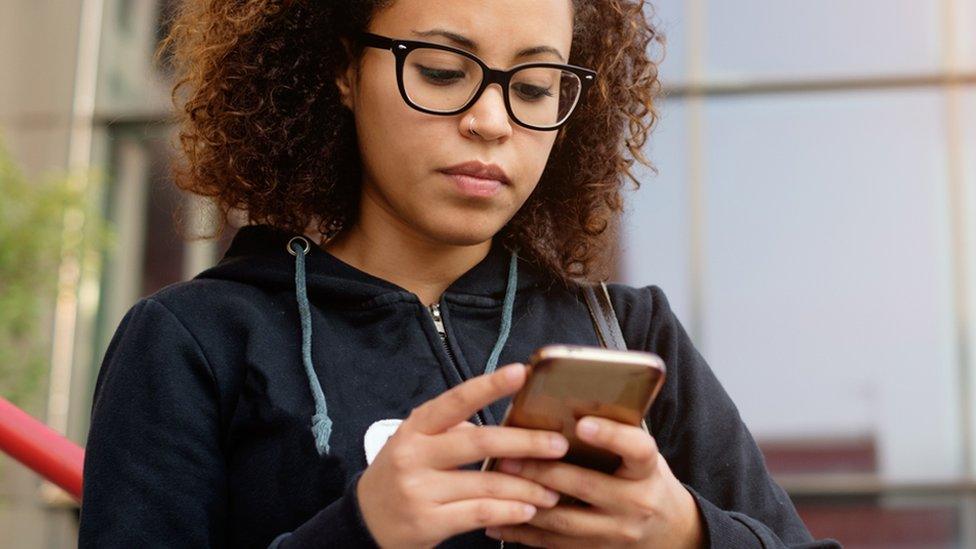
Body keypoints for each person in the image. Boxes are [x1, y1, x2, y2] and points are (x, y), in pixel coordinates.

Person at [79, 0, 841, 547]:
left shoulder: (630, 332)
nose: (493, 119)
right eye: (444, 72)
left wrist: (684, 531)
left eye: (536, 87)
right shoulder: (195, 341)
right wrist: (360, 530)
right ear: (344, 70)